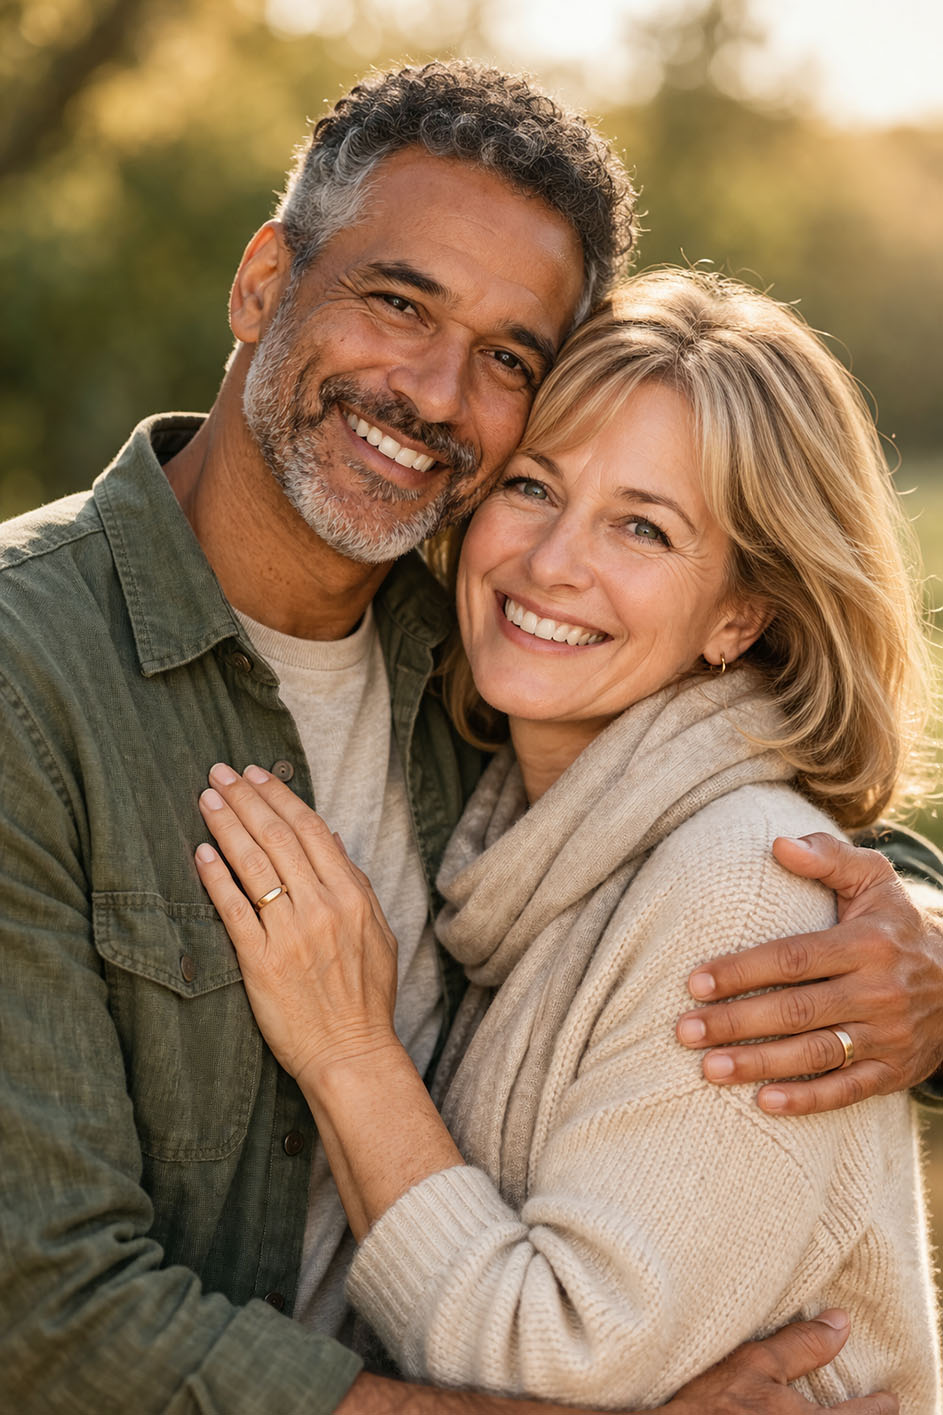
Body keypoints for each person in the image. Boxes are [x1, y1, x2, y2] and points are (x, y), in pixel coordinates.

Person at [0, 56, 927, 1414]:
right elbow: (49, 1311)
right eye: (396, 300)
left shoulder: (475, 657)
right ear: (263, 281)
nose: (433, 392)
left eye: (506, 360)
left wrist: (921, 944)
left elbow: (716, 834)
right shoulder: (30, 678)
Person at [193, 268, 941, 1410]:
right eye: (535, 485)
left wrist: (348, 1050)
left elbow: (560, 1356)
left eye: (643, 526)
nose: (550, 563)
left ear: (739, 614)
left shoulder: (748, 892)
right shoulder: (530, 841)